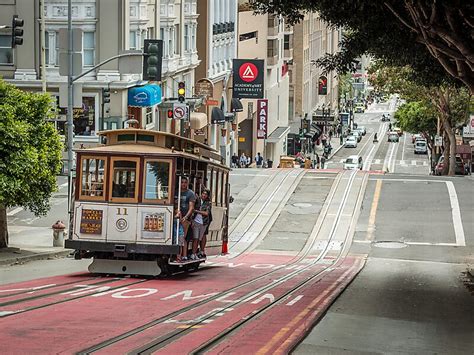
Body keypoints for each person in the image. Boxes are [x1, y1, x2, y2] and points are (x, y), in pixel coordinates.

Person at [177, 176, 196, 262]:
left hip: (185, 219)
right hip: (176, 217)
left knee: (183, 237)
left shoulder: (190, 193)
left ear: (187, 183)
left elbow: (191, 207)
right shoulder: (176, 191)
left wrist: (186, 217)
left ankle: (183, 255)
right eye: (182, 182)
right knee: (176, 236)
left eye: (185, 182)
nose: (183, 184)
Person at [190, 189, 212, 259]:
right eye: (203, 193)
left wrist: (196, 211)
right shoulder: (198, 200)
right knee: (195, 238)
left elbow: (206, 213)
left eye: (206, 194)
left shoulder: (208, 203)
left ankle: (196, 253)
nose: (204, 195)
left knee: (199, 238)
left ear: (208, 196)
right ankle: (193, 254)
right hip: (196, 222)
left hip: (203, 223)